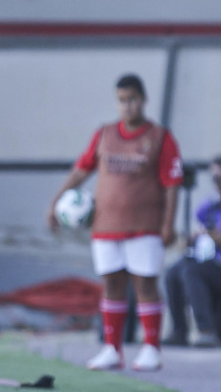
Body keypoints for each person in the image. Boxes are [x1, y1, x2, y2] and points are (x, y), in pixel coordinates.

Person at [48, 74, 182, 371]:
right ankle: (112, 348)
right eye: (122, 100)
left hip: (145, 225)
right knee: (111, 283)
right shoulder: (105, 134)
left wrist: (168, 224)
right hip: (106, 225)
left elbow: (173, 183)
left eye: (133, 99)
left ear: (143, 100)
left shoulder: (159, 137)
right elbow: (81, 170)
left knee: (145, 284)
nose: (128, 106)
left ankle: (151, 348)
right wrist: (56, 201)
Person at [170, 157, 221, 347]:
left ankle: (206, 330)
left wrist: (212, 236)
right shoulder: (211, 205)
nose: (217, 184)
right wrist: (196, 236)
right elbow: (200, 223)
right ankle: (178, 331)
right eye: (215, 179)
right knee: (174, 272)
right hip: (210, 260)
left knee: (193, 271)